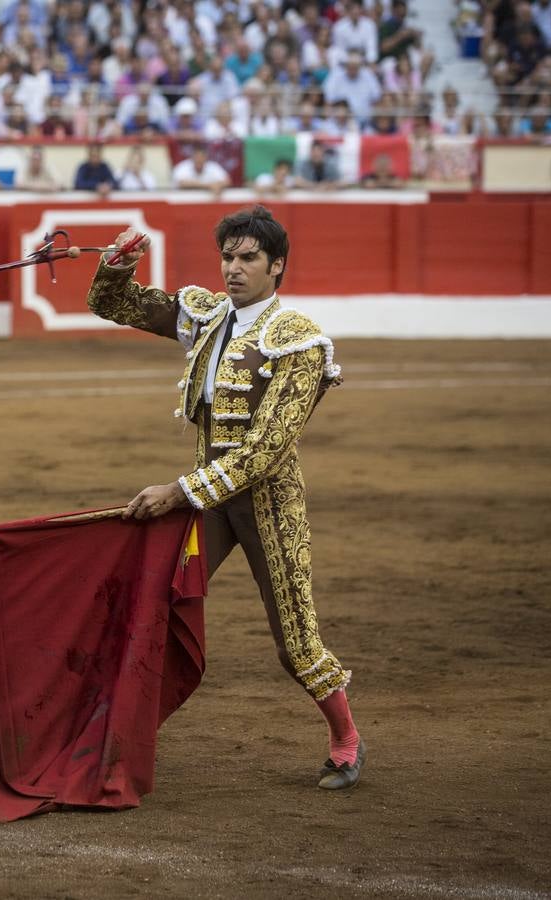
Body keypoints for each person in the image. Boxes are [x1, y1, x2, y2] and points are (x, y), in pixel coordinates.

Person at [82, 205, 363, 791]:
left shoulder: (301, 342)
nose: (233, 269)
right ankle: (119, 730)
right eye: (227, 257)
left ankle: (345, 739)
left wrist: (179, 492)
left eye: (248, 258)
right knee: (150, 600)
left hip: (267, 504)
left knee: (294, 636)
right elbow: (116, 304)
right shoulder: (207, 315)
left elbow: (266, 451)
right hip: (210, 499)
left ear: (276, 265)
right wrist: (116, 265)